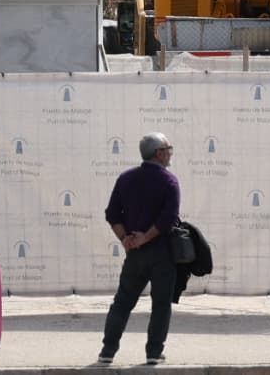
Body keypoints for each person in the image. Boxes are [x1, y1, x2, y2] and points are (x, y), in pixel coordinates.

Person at [99, 132, 180, 366]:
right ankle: (154, 353)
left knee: (123, 301)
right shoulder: (169, 181)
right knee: (161, 303)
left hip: (134, 253)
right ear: (159, 153)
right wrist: (145, 237)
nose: (170, 153)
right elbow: (168, 218)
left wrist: (125, 238)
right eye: (168, 148)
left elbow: (112, 214)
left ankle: (107, 351)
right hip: (162, 253)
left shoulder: (125, 178)